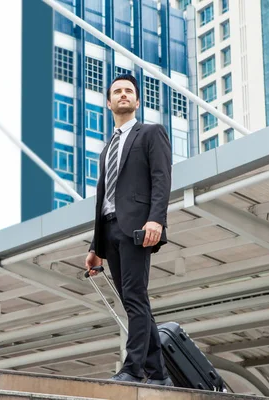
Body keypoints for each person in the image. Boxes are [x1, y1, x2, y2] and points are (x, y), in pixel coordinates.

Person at [85, 74, 172, 385]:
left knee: (135, 297)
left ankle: (133, 369)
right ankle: (159, 374)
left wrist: (156, 219)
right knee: (133, 300)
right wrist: (96, 247)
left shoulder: (150, 133)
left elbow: (162, 178)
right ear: (109, 103)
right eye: (117, 92)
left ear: (137, 101)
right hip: (110, 230)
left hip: (137, 228)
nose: (123, 95)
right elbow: (103, 199)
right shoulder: (106, 147)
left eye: (128, 92)